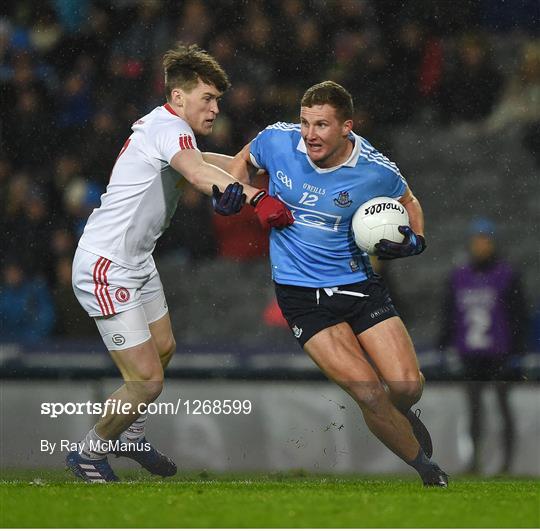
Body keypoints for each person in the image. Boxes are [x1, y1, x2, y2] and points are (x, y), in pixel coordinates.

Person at [67, 43, 292, 482]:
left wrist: (269, 176)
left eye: (218, 100)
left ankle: (130, 433)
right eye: (206, 98)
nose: (214, 108)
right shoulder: (169, 128)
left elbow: (218, 167)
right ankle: (89, 453)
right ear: (178, 98)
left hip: (136, 262)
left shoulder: (170, 132)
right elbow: (198, 173)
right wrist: (258, 199)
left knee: (165, 347)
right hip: (105, 264)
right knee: (147, 382)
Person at [223, 80, 448, 487]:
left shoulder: (375, 170)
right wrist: (251, 196)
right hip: (299, 295)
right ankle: (428, 471)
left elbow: (409, 201)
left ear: (347, 127)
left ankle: (403, 414)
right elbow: (240, 162)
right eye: (306, 123)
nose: (310, 134)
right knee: (367, 392)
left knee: (407, 387)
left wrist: (414, 241)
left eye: (322, 125)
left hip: (358, 285)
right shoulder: (277, 141)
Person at [439, 218, 527, 474]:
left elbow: (518, 314)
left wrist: (517, 350)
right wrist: (445, 345)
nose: (480, 246)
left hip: (499, 352)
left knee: (502, 408)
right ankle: (474, 461)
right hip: (471, 353)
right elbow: (449, 313)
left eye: (485, 240)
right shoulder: (459, 276)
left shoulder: (507, 275)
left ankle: (506, 464)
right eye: (476, 241)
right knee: (474, 410)